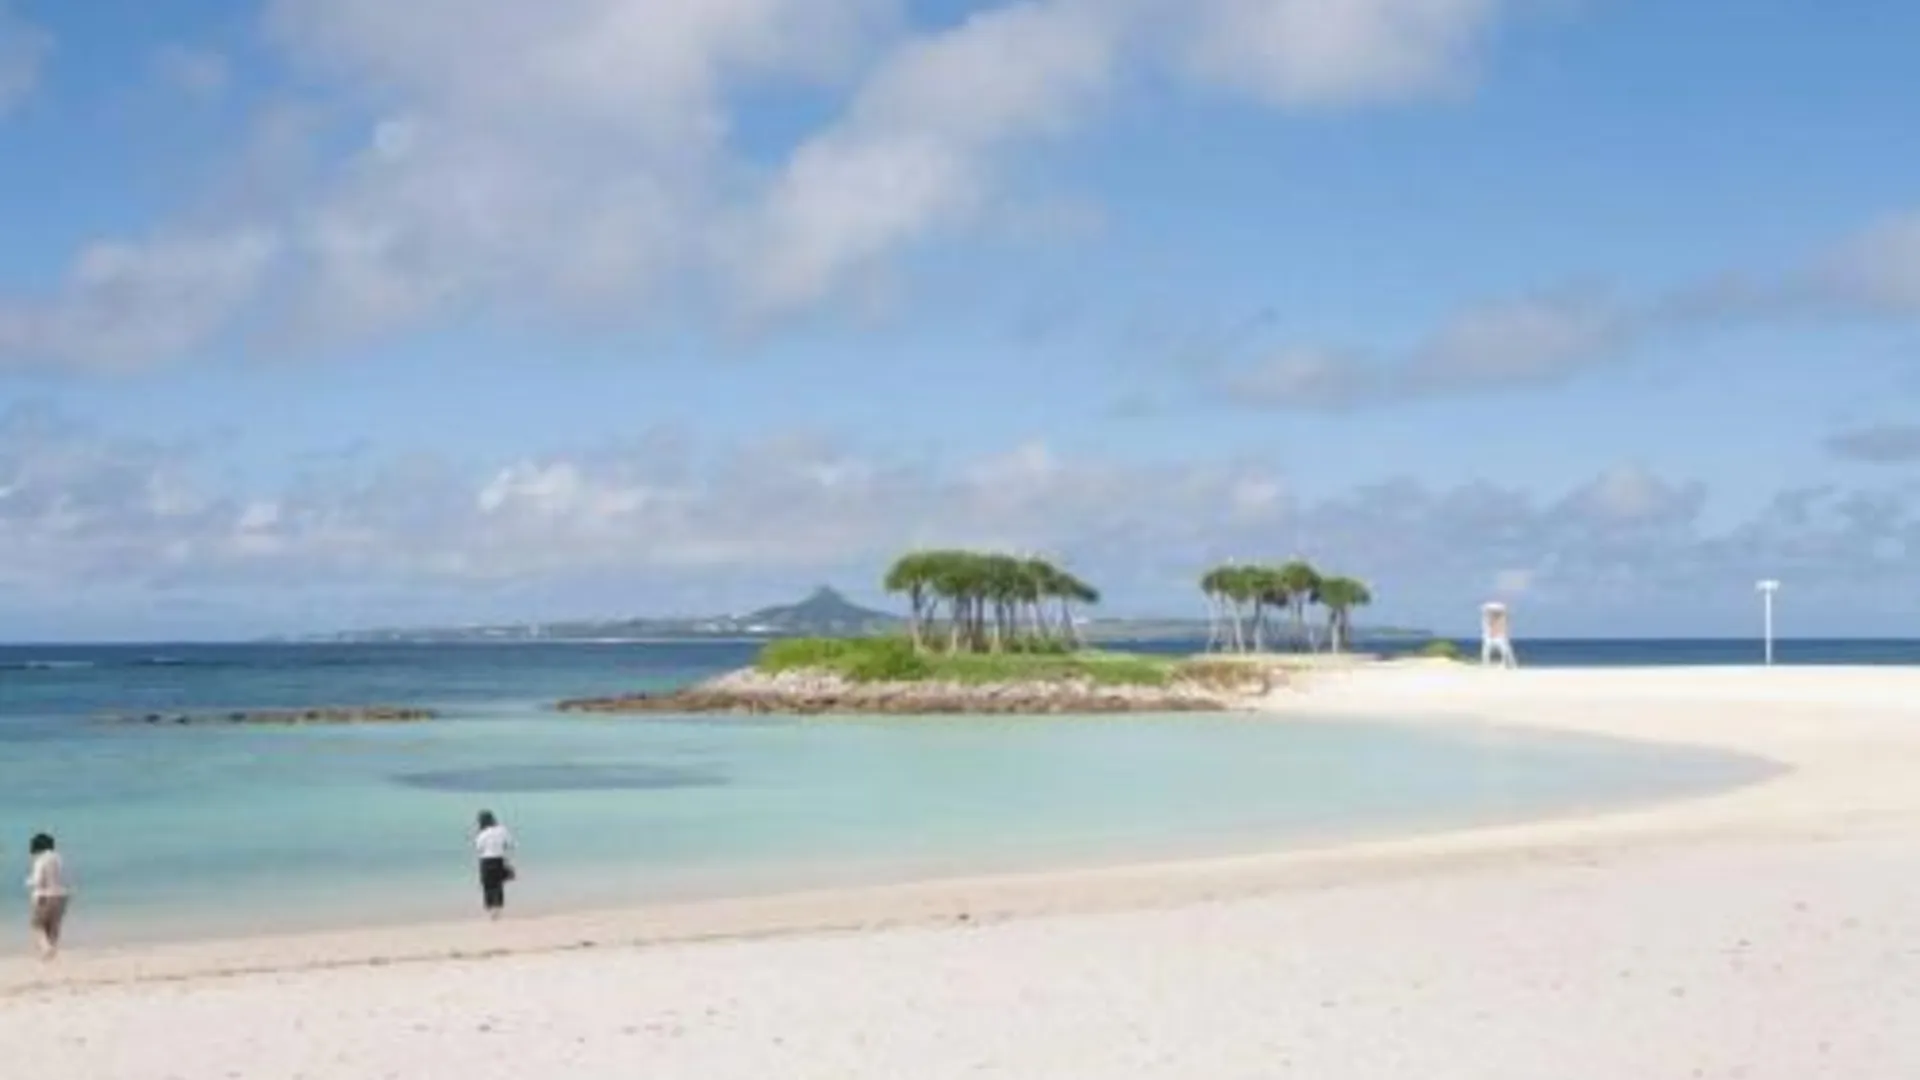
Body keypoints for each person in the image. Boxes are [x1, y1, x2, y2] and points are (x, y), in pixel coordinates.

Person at [24, 833, 70, 961]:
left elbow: (38, 880)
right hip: (62, 895)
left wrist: (28, 882)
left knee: (37, 925)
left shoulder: (41, 860)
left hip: (44, 895)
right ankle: (51, 955)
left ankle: (47, 950)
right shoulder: (59, 858)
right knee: (53, 927)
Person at [473, 810, 515, 919]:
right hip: (499, 859)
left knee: (487, 886)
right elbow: (509, 844)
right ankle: (498, 910)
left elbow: (479, 848)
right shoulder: (502, 830)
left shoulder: (482, 833)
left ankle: (490, 910)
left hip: (486, 861)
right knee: (498, 885)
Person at [1480, 602, 1518, 669]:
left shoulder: (1501, 620)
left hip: (1499, 637)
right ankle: (1486, 663)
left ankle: (1508, 664)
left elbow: (1504, 625)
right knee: (1486, 651)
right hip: (1491, 636)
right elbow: (1486, 623)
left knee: (1505, 651)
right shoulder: (1489, 620)